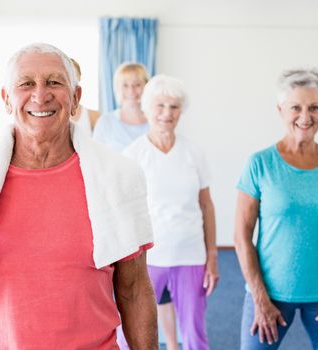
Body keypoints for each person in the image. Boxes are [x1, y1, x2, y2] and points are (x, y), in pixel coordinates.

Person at [0, 43, 158, 350]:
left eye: (55, 82)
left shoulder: (119, 176)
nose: (40, 95)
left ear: (75, 99)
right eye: (26, 83)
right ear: (6, 99)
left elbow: (134, 289)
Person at [234, 68, 318, 349]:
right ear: (280, 109)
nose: (305, 117)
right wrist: (259, 298)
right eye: (296, 107)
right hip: (269, 294)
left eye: (314, 107)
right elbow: (241, 238)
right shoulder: (259, 164)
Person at [124, 74, 220, 350]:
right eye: (160, 106)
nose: (167, 113)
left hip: (190, 254)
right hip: (147, 257)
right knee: (133, 332)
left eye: (174, 107)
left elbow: (207, 205)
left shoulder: (194, 152)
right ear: (147, 108)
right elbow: (126, 212)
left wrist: (212, 255)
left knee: (194, 333)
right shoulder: (133, 155)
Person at [93, 62, 150, 152]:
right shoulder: (106, 122)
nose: (131, 90)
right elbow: (96, 158)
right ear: (117, 88)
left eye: (137, 85)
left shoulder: (157, 121)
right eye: (125, 85)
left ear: (147, 86)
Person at [69, 58, 101, 135]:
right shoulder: (49, 117)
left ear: (79, 77)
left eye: (73, 75)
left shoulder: (95, 117)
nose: (69, 80)